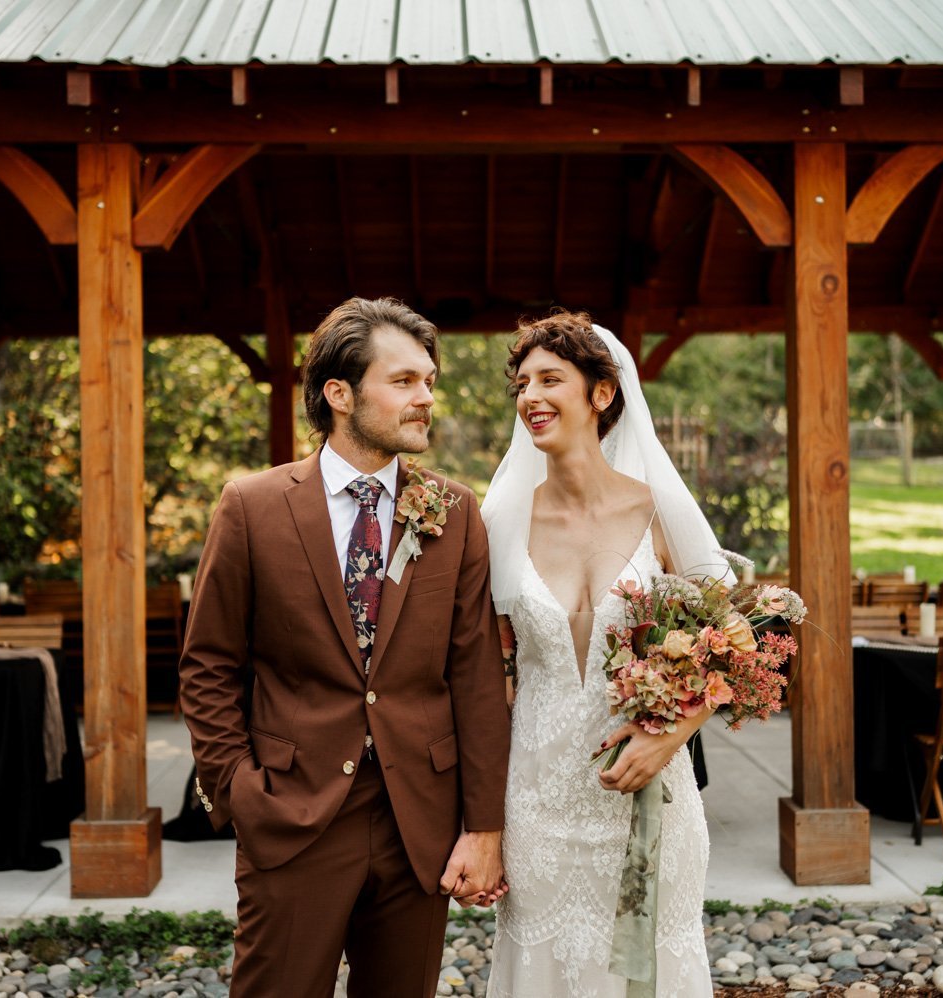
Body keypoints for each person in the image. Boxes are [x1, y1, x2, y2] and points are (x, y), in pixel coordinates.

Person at [179, 297, 511, 998]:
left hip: (416, 819)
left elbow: (477, 675)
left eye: (429, 380)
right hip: (291, 812)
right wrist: (239, 788)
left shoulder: (454, 513)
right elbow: (208, 664)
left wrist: (483, 826)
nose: (426, 398)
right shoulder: (252, 507)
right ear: (339, 393)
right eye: (403, 382)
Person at [482, 310, 739, 997]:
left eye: (550, 379)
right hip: (536, 800)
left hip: (647, 798)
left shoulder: (659, 510)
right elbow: (485, 670)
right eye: (522, 382)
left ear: (601, 393)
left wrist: (674, 733)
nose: (529, 396)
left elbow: (738, 642)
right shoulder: (499, 520)